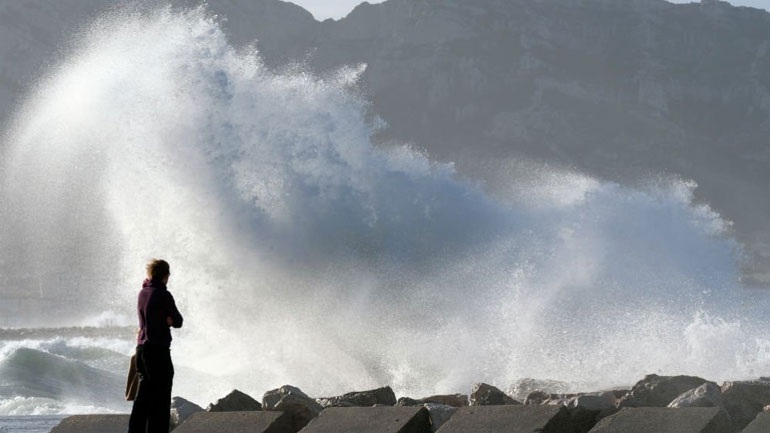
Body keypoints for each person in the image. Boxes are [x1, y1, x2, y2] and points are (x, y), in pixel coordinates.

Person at [128, 259, 183, 433]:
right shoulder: (163, 294)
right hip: (158, 350)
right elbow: (179, 321)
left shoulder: (142, 292)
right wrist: (169, 320)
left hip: (142, 349)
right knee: (161, 397)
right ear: (166, 276)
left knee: (144, 396)